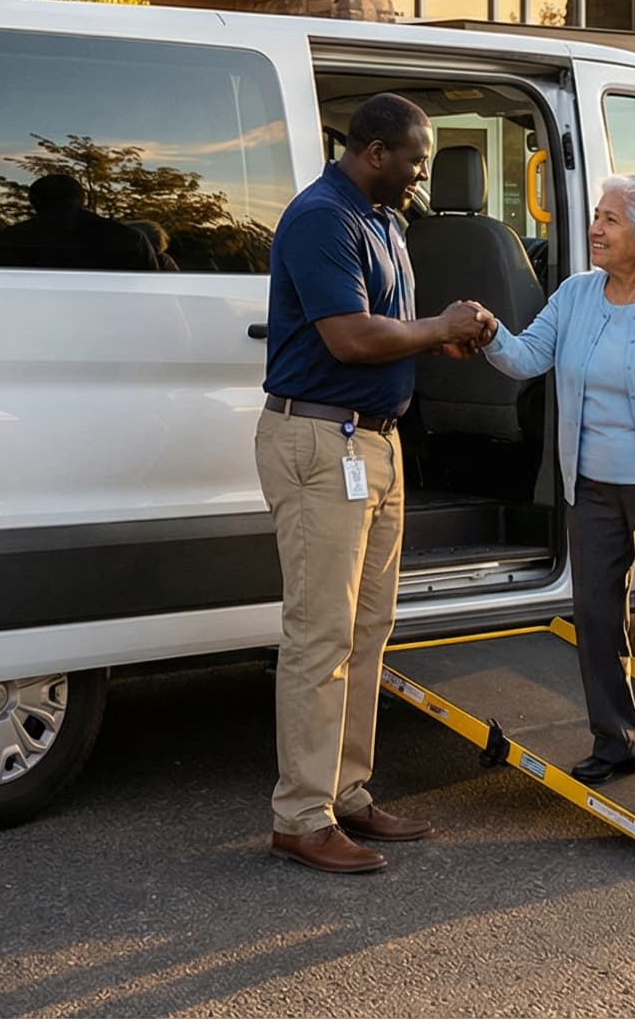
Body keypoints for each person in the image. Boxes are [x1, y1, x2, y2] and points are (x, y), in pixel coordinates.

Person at [259, 93, 495, 874]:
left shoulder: (387, 222)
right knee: (319, 633)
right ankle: (300, 816)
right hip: (320, 441)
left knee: (366, 632)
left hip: (372, 446)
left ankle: (347, 794)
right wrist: (439, 328)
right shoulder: (322, 217)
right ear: (372, 152)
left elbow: (389, 332)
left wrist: (437, 344)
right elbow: (351, 335)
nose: (424, 171)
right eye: (416, 157)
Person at [479, 173, 635, 820]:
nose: (595, 228)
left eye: (610, 219)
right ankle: (617, 741)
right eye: (596, 216)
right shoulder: (577, 296)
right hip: (590, 488)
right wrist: (487, 332)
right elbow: (527, 356)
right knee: (595, 619)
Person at [0, 173, 154, 270]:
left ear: (33, 202)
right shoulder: (130, 240)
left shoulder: (1, 243)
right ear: (83, 200)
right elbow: (151, 291)